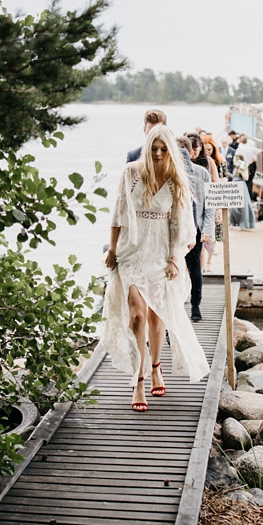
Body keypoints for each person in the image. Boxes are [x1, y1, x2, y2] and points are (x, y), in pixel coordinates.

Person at [101, 126, 210, 412]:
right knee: (136, 315)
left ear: (170, 151)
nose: (158, 153)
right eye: (154, 148)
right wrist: (112, 251)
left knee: (156, 318)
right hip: (132, 253)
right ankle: (138, 380)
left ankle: (156, 367)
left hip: (161, 254)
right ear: (147, 147)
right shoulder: (131, 173)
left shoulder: (176, 180)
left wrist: (175, 259)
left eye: (163, 149)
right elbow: (117, 214)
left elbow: (183, 226)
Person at [184, 133, 215, 321]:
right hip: (175, 229)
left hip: (196, 226)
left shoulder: (204, 170)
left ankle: (196, 305)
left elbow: (210, 202)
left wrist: (209, 228)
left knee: (195, 267)